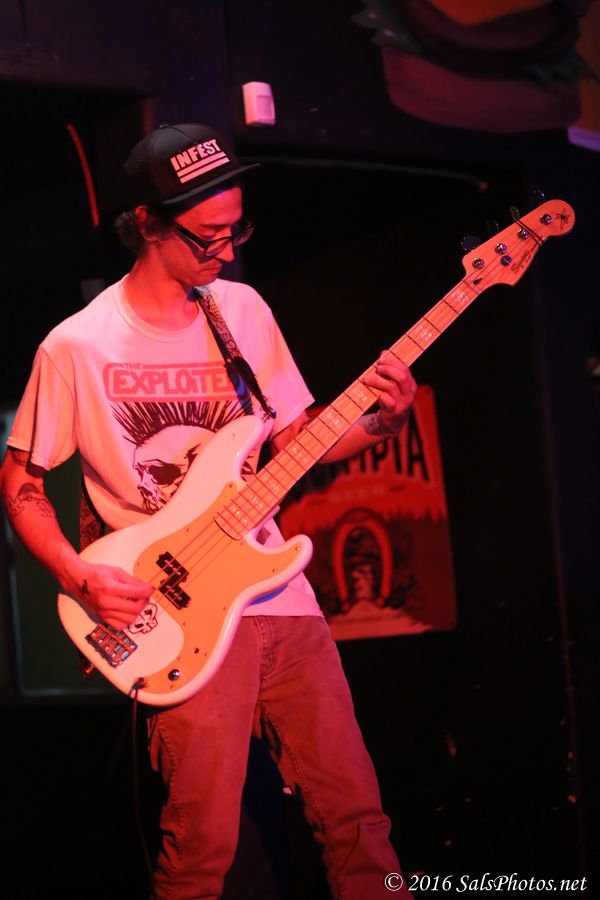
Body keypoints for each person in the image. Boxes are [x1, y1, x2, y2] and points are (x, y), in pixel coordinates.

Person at [0, 123, 416, 899]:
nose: (225, 249)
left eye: (237, 229)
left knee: (360, 821)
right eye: (206, 234)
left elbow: (298, 438)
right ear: (148, 223)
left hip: (280, 599)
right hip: (174, 612)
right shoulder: (77, 347)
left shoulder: (243, 311)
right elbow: (19, 480)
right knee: (201, 851)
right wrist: (77, 576)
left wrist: (382, 423)